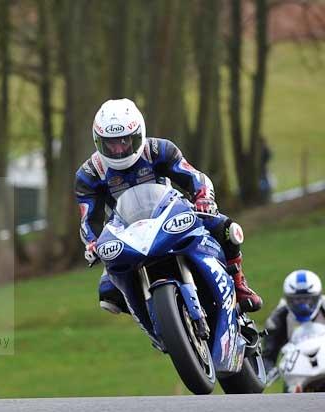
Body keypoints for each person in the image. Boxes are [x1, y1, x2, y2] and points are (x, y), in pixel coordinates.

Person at [75, 98, 263, 314]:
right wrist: (92, 243)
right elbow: (89, 218)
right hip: (124, 232)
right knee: (108, 294)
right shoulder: (89, 174)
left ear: (138, 135)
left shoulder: (158, 149)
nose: (118, 150)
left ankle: (239, 284)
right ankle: (154, 316)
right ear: (98, 141)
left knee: (226, 229)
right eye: (111, 143)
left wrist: (203, 198)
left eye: (124, 141)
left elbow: (193, 176)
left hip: (170, 214)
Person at [262, 270, 325, 371]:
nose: (303, 306)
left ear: (317, 297)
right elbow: (268, 355)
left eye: (307, 299)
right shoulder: (277, 319)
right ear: (288, 299)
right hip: (295, 370)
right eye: (297, 300)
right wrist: (271, 370)